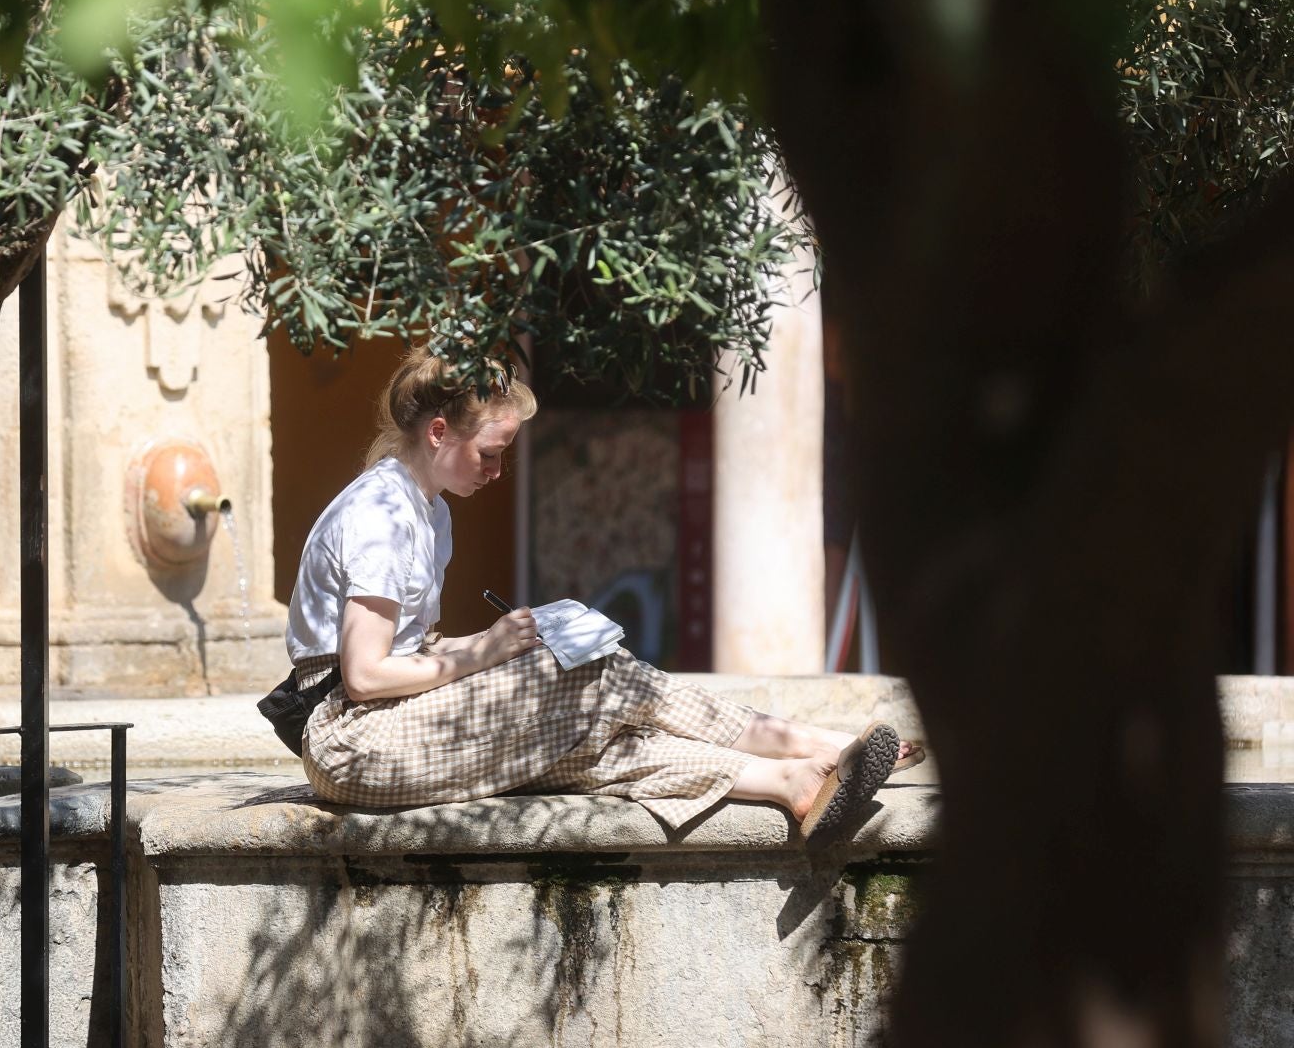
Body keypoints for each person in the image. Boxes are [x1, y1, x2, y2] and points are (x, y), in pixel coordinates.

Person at [284, 346, 917, 843]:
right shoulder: (381, 518)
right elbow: (364, 677)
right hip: (354, 742)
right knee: (598, 677)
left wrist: (501, 643)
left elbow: (409, 650)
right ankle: (820, 744)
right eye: (490, 454)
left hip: (393, 724)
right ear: (439, 432)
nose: (497, 472)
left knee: (588, 739)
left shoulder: (427, 510)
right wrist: (487, 650)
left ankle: (789, 782)